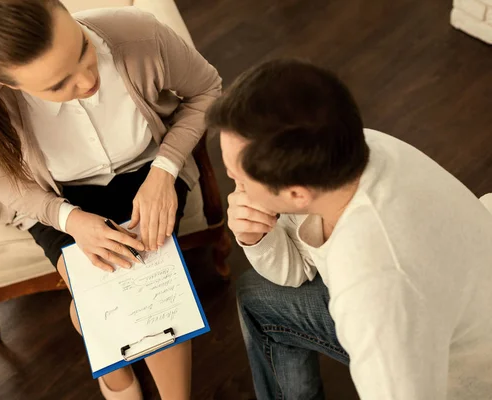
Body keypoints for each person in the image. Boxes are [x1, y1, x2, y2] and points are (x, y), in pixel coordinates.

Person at [0, 0, 221, 399]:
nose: (87, 81)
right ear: (8, 84)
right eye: (57, 85)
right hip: (55, 198)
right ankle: (120, 379)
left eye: (82, 49)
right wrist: (69, 219)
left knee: (149, 292)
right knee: (98, 302)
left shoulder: (138, 35)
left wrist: (165, 170)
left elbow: (207, 90)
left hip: (147, 172)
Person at [207, 59, 492, 399]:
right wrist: (258, 236)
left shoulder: (372, 286)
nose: (233, 187)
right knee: (259, 297)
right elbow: (299, 268)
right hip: (455, 292)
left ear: (297, 194)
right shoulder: (344, 151)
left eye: (237, 178)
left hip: (452, 372)